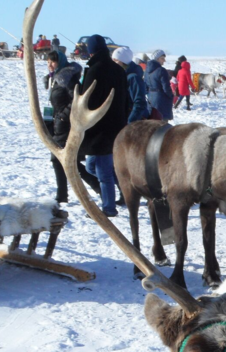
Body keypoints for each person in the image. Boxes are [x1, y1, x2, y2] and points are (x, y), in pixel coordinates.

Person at [79, 34, 129, 217]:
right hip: (116, 126)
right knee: (92, 166)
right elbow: (127, 100)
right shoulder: (118, 70)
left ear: (91, 50)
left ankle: (108, 208)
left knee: (103, 171)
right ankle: (125, 189)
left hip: (100, 128)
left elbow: (88, 101)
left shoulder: (95, 70)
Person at [44, 50, 100, 203]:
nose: (50, 65)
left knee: (61, 159)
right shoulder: (54, 78)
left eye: (53, 61)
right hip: (56, 123)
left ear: (60, 61)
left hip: (66, 125)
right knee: (65, 160)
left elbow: (76, 100)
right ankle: (65, 194)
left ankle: (64, 195)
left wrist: (63, 115)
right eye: (48, 62)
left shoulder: (67, 78)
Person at [112, 47, 149, 122]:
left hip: (135, 124)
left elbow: (140, 104)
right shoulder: (122, 76)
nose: (113, 63)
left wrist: (130, 123)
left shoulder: (133, 78)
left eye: (115, 60)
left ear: (123, 61)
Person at [145, 49, 174, 122]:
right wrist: (171, 96)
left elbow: (145, 87)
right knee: (162, 123)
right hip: (161, 101)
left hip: (150, 99)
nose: (164, 60)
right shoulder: (161, 70)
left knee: (152, 122)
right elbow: (166, 88)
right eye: (162, 58)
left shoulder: (146, 71)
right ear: (157, 58)